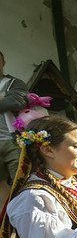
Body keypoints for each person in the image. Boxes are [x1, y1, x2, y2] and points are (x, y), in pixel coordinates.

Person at [0, 50, 29, 206]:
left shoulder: (14, 83)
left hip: (13, 142)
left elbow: (16, 102)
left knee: (22, 183)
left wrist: (6, 100)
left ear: (3, 62)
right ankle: (5, 225)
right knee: (1, 187)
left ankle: (24, 219)